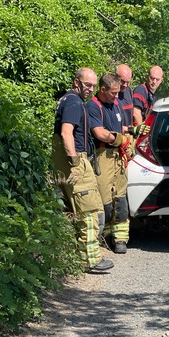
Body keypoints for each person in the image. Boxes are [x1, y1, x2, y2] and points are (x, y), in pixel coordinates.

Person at [52, 68, 114, 272]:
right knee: (88, 210)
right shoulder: (73, 102)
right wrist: (75, 161)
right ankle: (90, 260)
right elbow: (66, 132)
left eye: (94, 86)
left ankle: (78, 256)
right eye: (87, 84)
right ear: (76, 82)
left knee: (79, 209)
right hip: (76, 162)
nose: (91, 89)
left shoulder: (70, 100)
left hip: (73, 161)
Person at [87, 73, 132, 254]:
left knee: (120, 198)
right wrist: (120, 139)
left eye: (117, 92)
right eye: (113, 93)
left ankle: (120, 238)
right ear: (102, 89)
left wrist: (127, 142)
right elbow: (99, 133)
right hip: (103, 154)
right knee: (104, 198)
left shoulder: (117, 105)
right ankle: (103, 237)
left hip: (118, 157)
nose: (116, 96)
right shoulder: (93, 106)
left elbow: (121, 128)